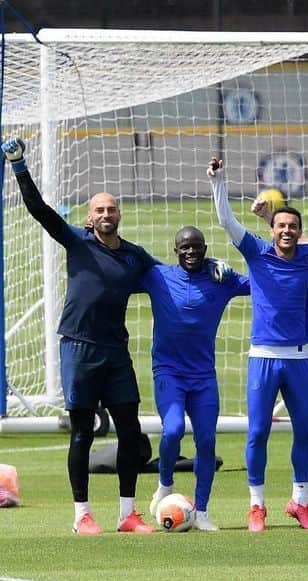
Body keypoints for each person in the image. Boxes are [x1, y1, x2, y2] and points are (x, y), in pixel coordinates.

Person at [2, 135, 162, 534]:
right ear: (90, 217)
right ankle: (82, 515)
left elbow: (166, 278)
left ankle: (127, 514)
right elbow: (39, 210)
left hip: (116, 352)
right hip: (79, 348)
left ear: (119, 215)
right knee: (82, 432)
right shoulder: (77, 241)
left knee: (130, 430)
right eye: (99, 210)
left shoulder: (134, 255)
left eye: (111, 208)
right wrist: (19, 165)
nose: (106, 214)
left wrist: (209, 272)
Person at [207, 156, 308, 532]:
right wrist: (218, 180)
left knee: (305, 432)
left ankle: (301, 502)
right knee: (258, 432)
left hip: (297, 359)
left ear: (299, 230)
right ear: (272, 229)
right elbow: (227, 221)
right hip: (262, 358)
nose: (287, 231)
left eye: (293, 226)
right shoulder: (256, 252)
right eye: (281, 226)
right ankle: (256, 506)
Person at [140, 226, 250, 531]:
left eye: (197, 247)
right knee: (172, 430)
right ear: (175, 251)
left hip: (203, 377)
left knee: (207, 440)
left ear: (205, 248)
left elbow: (260, 284)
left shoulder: (220, 279)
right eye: (184, 247)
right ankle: (164, 484)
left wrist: (231, 272)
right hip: (169, 372)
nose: (191, 252)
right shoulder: (158, 276)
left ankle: (201, 511)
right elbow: (121, 275)